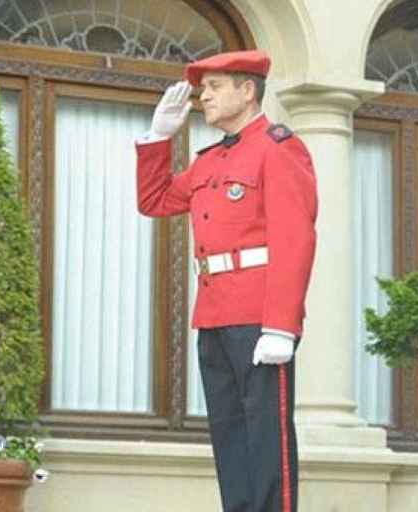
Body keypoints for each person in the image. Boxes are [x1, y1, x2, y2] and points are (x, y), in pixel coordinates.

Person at [135, 50, 317, 512]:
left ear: (247, 90)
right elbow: (154, 200)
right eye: (204, 88)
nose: (204, 96)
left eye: (215, 87)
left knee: (266, 439)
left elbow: (294, 237)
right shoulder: (210, 160)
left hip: (259, 317)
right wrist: (159, 137)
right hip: (214, 314)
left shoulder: (278, 148)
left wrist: (282, 325)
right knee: (230, 437)